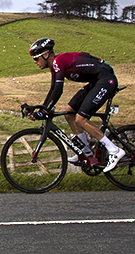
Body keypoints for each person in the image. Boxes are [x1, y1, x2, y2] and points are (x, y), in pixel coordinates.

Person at [27, 37, 126, 172]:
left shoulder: (58, 62)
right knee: (69, 112)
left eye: (36, 58)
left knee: (81, 119)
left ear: (45, 55)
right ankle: (86, 152)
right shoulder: (54, 67)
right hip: (95, 82)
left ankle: (114, 150)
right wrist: (43, 108)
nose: (35, 62)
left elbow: (58, 90)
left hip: (105, 80)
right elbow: (52, 89)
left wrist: (44, 111)